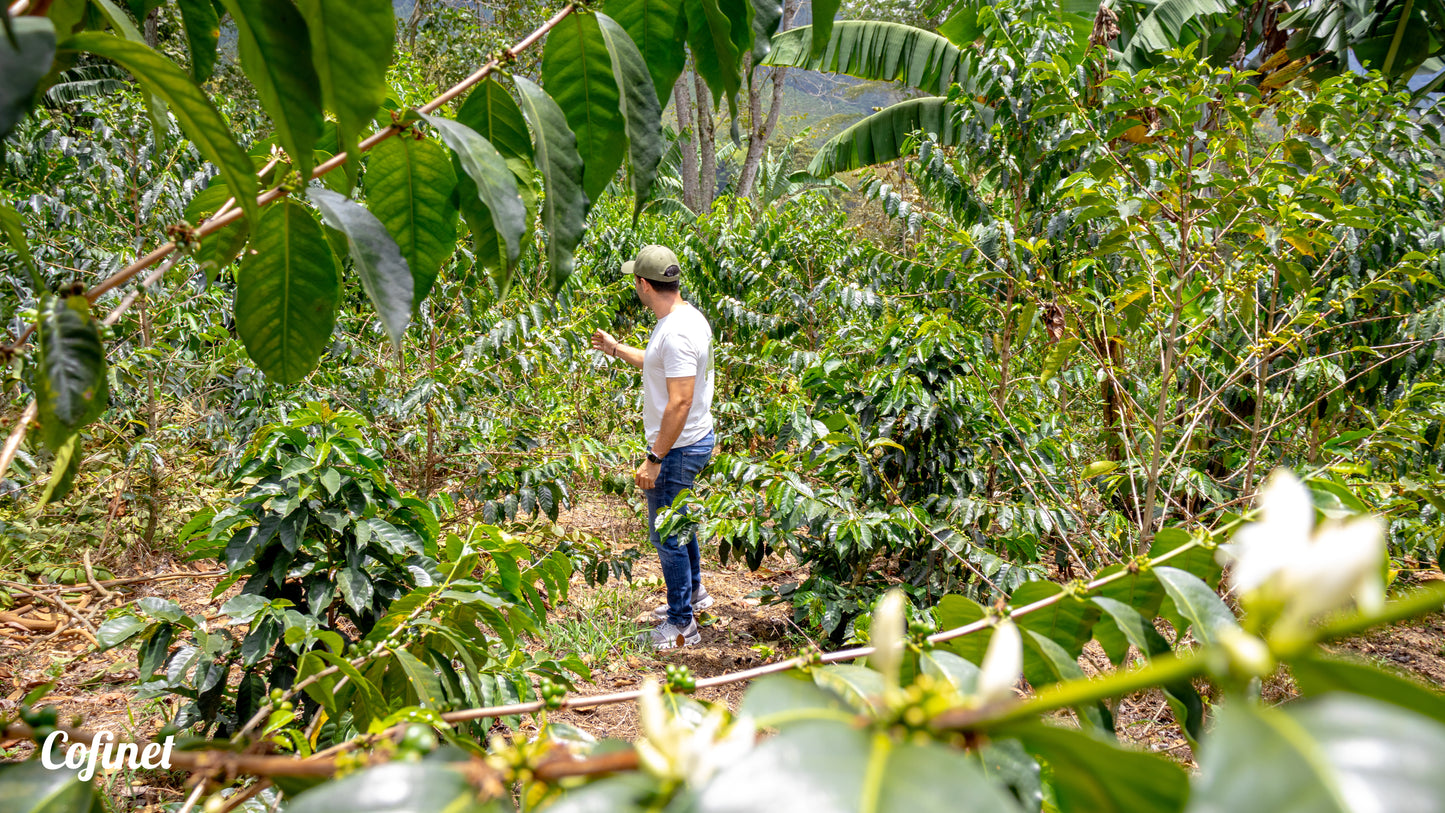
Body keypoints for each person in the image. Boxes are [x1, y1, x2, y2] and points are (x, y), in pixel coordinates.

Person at [591, 245, 716, 650]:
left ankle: (682, 625)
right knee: (680, 524)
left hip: (677, 448)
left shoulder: (676, 331)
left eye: (635, 282)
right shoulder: (684, 317)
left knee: (667, 536)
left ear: (644, 285)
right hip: (691, 440)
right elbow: (656, 361)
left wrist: (654, 458)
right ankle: (693, 596)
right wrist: (614, 348)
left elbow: (680, 400)